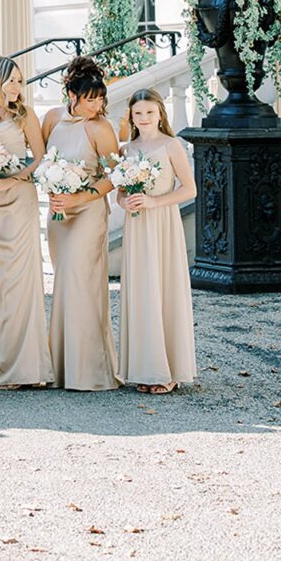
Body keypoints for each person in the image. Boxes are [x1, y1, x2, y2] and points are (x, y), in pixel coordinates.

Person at [0, 56, 52, 389]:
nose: (18, 86)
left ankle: (29, 368)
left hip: (19, 199)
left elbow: (40, 159)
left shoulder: (25, 115)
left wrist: (8, 181)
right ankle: (3, 367)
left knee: (21, 280)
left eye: (20, 80)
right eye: (12, 81)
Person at [41, 56, 120, 392]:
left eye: (100, 99)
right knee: (64, 282)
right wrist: (51, 189)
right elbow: (43, 161)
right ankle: (62, 368)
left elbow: (114, 175)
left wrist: (78, 198)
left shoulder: (101, 128)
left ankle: (89, 371)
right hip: (59, 214)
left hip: (88, 212)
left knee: (81, 282)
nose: (97, 106)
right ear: (72, 95)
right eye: (90, 99)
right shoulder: (51, 119)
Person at [116, 88, 197, 394]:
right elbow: (119, 193)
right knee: (142, 292)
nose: (144, 118)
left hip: (162, 223)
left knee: (163, 289)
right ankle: (145, 369)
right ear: (131, 116)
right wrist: (125, 203)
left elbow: (189, 189)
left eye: (150, 112)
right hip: (136, 227)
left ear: (160, 113)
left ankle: (167, 370)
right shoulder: (126, 149)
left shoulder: (170, 145)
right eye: (138, 113)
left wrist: (154, 202)